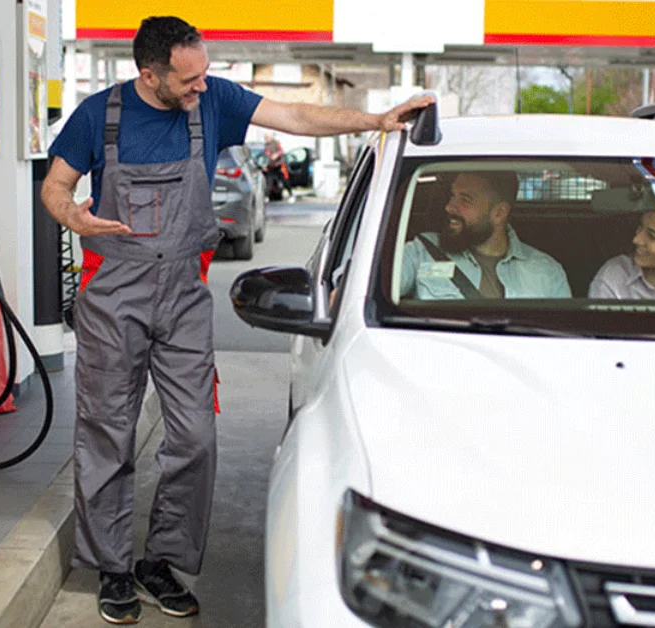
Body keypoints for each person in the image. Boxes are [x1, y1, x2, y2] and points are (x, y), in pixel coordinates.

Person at [40, 16, 433, 625]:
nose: (202, 85)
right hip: (113, 294)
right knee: (107, 433)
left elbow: (296, 116)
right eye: (189, 77)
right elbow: (55, 186)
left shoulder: (214, 101)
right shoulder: (99, 115)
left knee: (195, 435)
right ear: (150, 75)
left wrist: (376, 121)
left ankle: (161, 562)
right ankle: (114, 569)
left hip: (184, 296)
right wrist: (75, 217)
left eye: (204, 72)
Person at [401, 171, 571, 300]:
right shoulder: (421, 253)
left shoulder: (546, 272)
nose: (450, 207)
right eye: (453, 195)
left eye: (465, 200)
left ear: (498, 213)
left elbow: (565, 340)